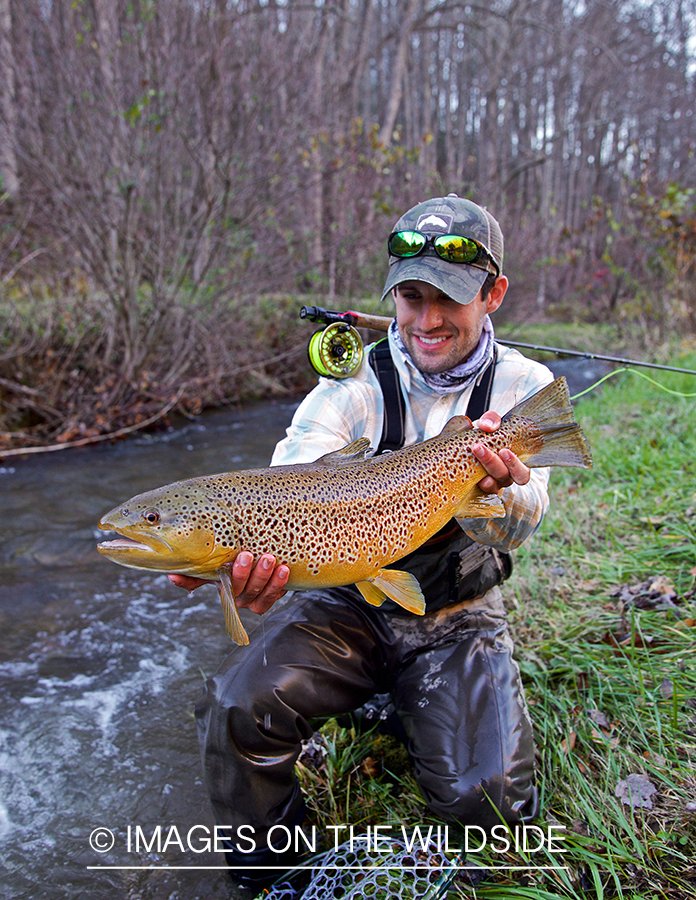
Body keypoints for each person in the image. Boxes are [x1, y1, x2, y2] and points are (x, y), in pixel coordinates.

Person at [169, 193, 554, 891]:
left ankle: (409, 705)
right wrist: (255, 554)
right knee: (236, 708)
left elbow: (527, 518)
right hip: (344, 605)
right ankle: (281, 879)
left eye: (451, 298)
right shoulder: (352, 382)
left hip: (454, 615)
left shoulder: (524, 387)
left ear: (493, 294)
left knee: (490, 803)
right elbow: (289, 474)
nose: (428, 319)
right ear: (392, 294)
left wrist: (493, 491)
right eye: (411, 296)